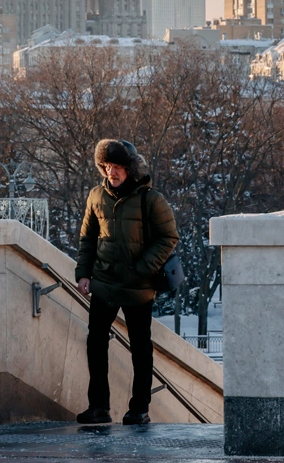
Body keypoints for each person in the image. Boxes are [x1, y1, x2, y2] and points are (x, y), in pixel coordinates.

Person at [74, 139, 178, 425]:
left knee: (140, 349)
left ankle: (139, 409)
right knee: (96, 344)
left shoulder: (150, 199)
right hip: (104, 283)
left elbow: (168, 237)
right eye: (107, 166)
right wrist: (83, 273)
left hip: (138, 287)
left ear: (129, 168)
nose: (112, 173)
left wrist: (142, 269)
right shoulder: (96, 196)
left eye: (117, 166)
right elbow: (87, 239)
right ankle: (98, 407)